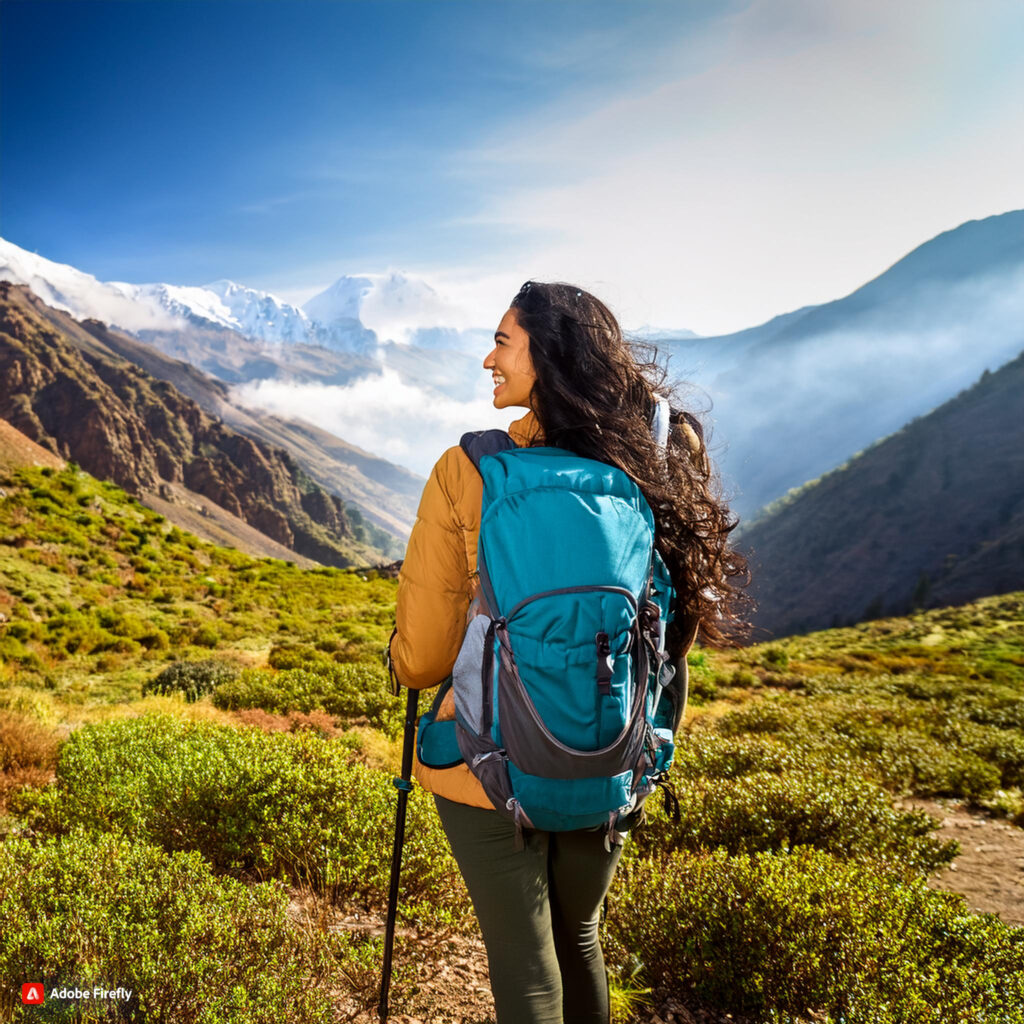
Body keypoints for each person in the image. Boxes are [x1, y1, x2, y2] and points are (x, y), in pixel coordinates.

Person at [389, 281, 748, 1024]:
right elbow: (669, 635)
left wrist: (397, 656)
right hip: (612, 752)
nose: (488, 358)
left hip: (486, 766)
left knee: (525, 972)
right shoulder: (656, 459)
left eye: (503, 342)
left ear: (546, 358)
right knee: (578, 936)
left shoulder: (471, 472)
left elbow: (422, 663)